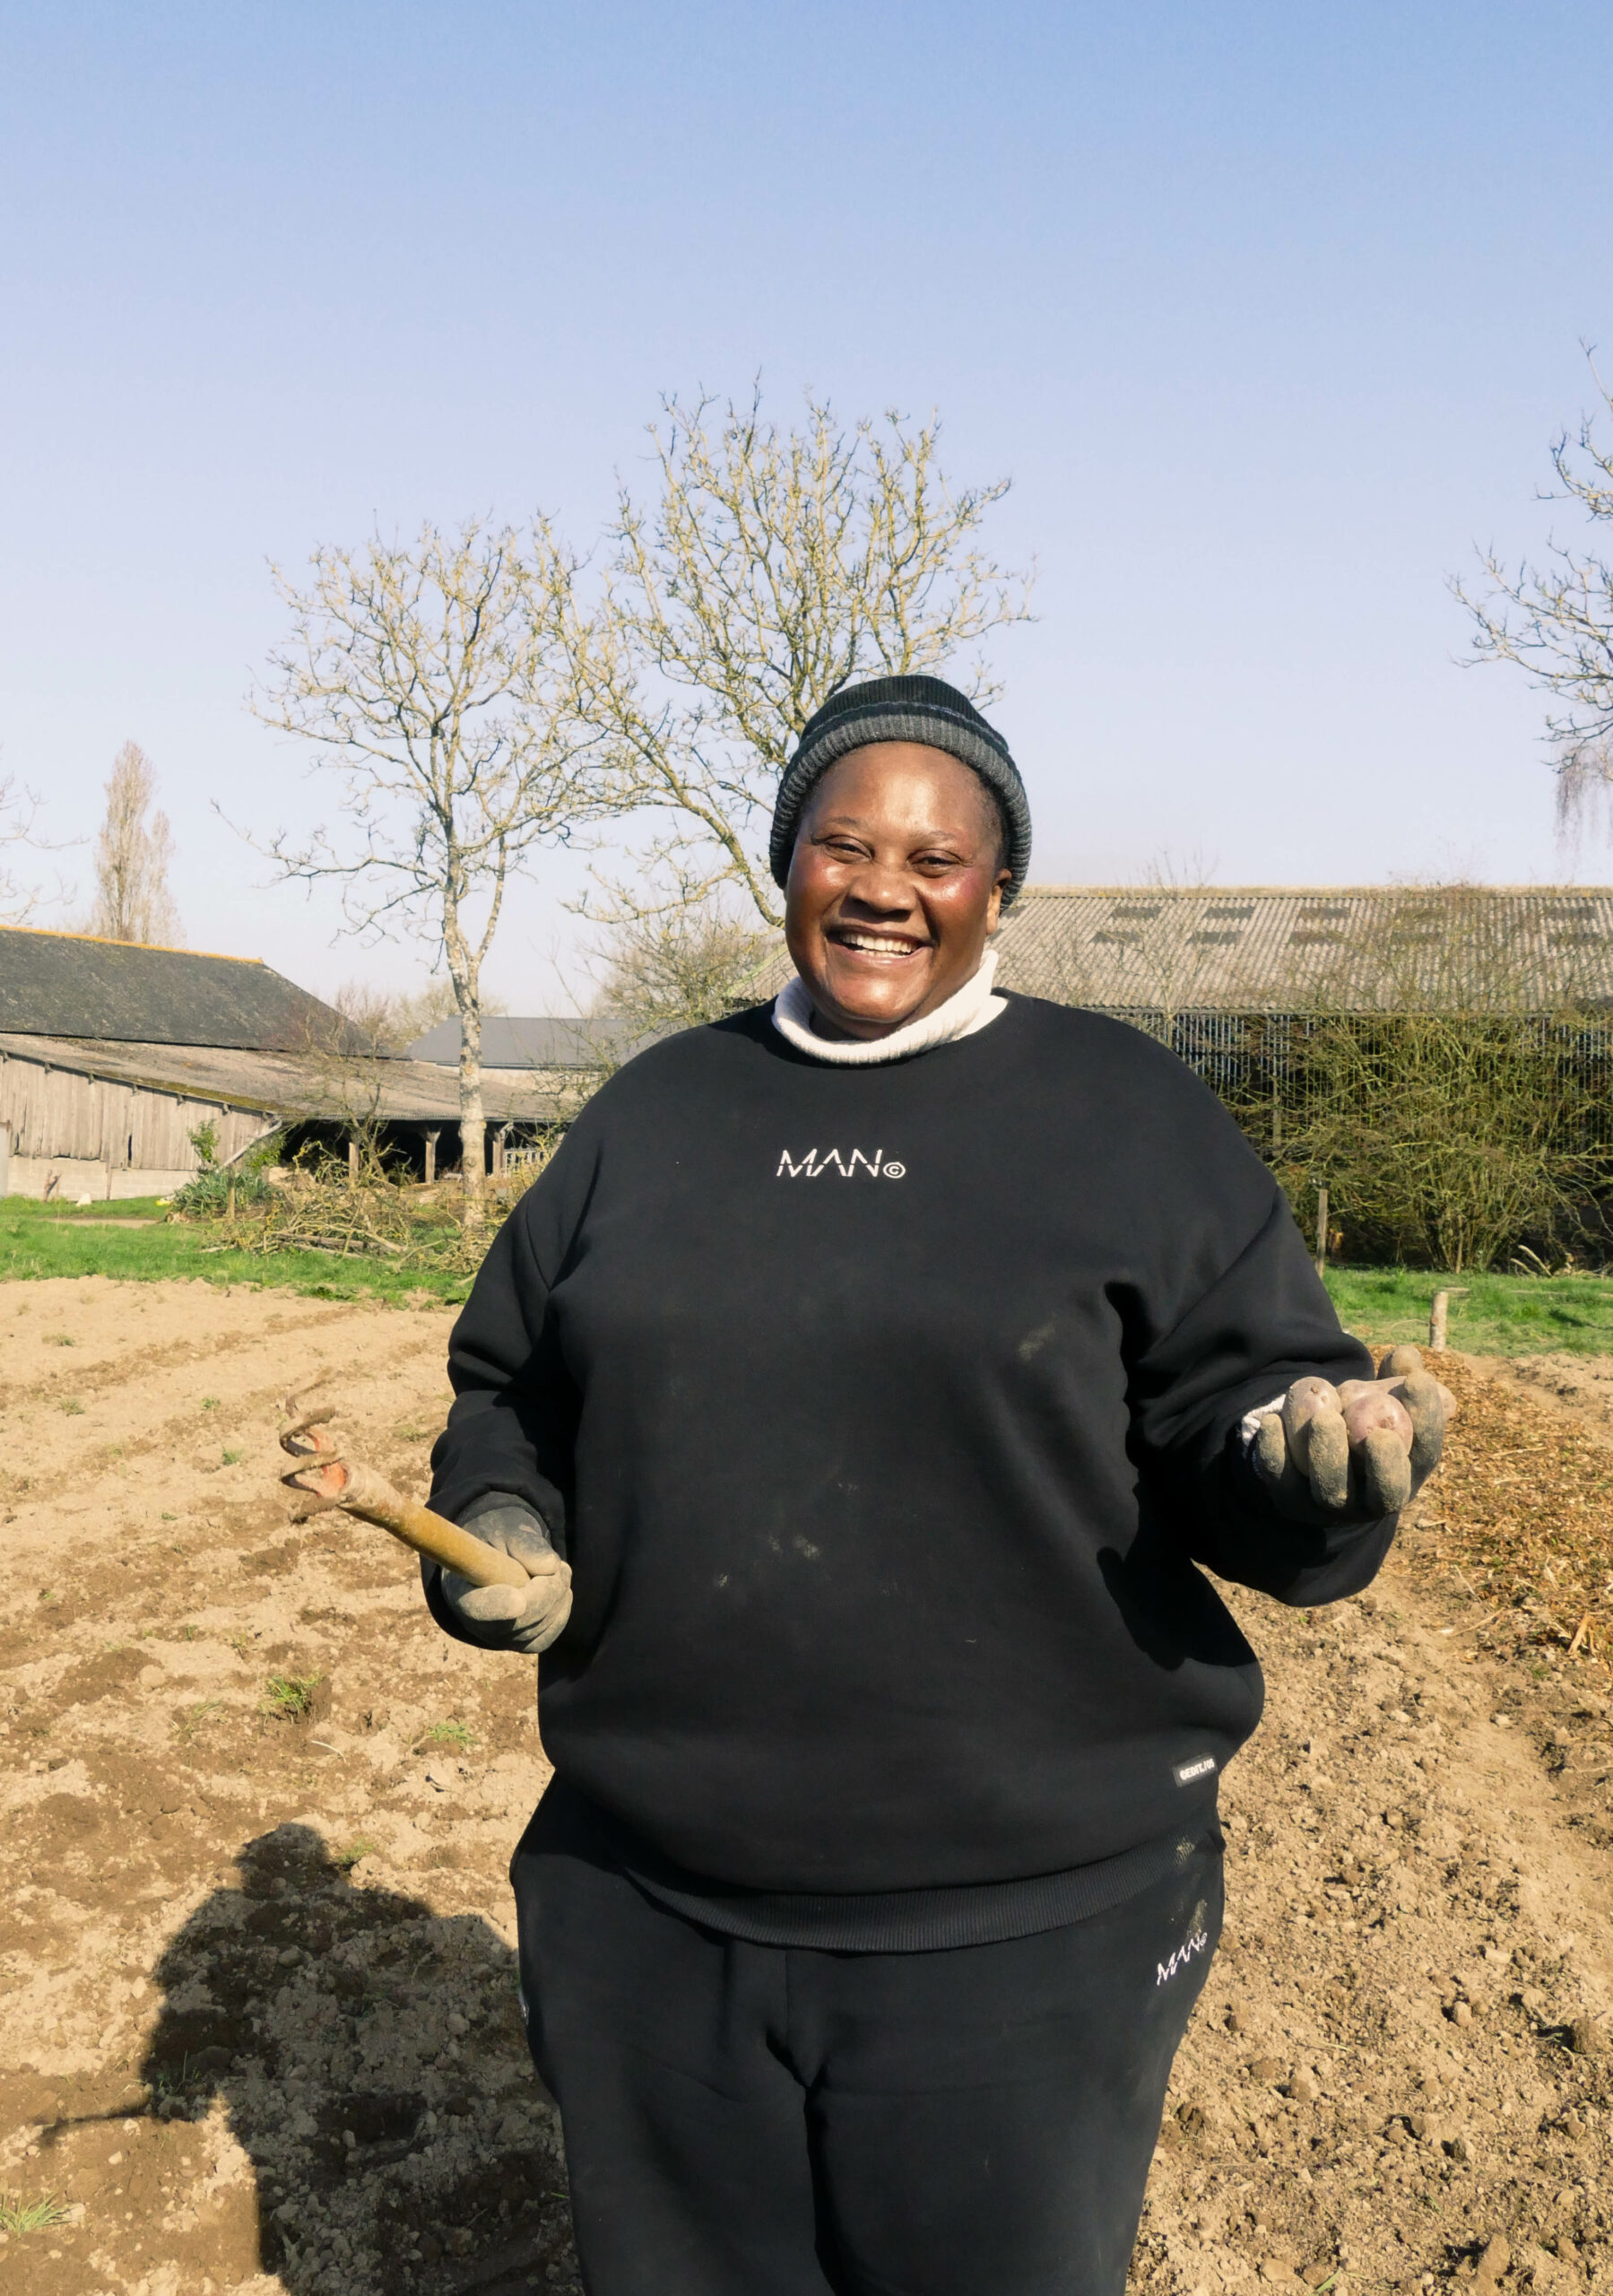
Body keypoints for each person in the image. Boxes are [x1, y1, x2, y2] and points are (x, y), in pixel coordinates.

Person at [422, 673, 1453, 2296]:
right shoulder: (655, 1112)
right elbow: (514, 1390)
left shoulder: (1122, 1114)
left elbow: (1242, 1407)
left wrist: (1308, 1472)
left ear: (999, 889)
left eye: (936, 858)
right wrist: (497, 1520)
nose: (884, 889)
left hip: (1024, 1935)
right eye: (844, 844)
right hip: (649, 1898)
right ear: (787, 863)